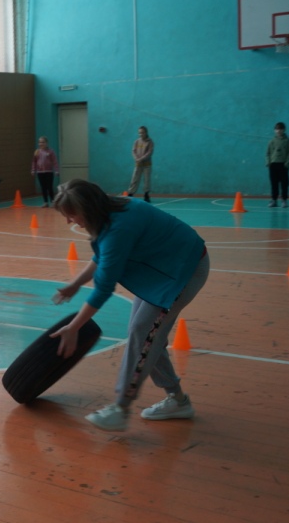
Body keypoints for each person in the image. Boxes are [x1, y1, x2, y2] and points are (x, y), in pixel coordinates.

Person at [49, 179, 209, 432]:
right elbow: (101, 256)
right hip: (162, 270)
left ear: (88, 210)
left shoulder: (119, 228)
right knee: (147, 336)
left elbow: (103, 289)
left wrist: (74, 327)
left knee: (142, 333)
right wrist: (75, 284)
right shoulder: (111, 213)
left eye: (71, 214)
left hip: (182, 272)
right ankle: (177, 400)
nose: (69, 221)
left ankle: (121, 409)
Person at [265, 122, 289, 208]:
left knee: (284, 183)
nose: (278, 131)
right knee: (274, 183)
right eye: (277, 129)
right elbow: (268, 153)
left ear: (284, 130)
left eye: (280, 129)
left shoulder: (288, 141)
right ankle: (274, 200)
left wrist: (287, 164)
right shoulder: (271, 141)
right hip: (273, 164)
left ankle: (284, 200)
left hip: (283, 165)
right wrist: (268, 162)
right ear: (274, 130)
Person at [127, 126, 154, 202]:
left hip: (147, 165)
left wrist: (141, 159)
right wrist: (136, 158)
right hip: (138, 164)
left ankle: (146, 194)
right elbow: (133, 151)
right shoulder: (136, 142)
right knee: (134, 179)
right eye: (139, 133)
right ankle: (130, 193)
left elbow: (149, 152)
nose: (141, 134)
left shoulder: (150, 142)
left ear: (146, 133)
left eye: (142, 132)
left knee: (146, 180)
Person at [31, 136, 59, 207]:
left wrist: (56, 170)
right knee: (43, 187)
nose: (41, 144)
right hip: (40, 173)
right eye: (40, 142)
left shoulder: (50, 151)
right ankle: (45, 202)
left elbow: (54, 161)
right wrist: (33, 170)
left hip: (49, 172)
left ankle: (52, 201)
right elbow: (34, 162)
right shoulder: (37, 152)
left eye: (43, 142)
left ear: (46, 143)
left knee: (49, 187)